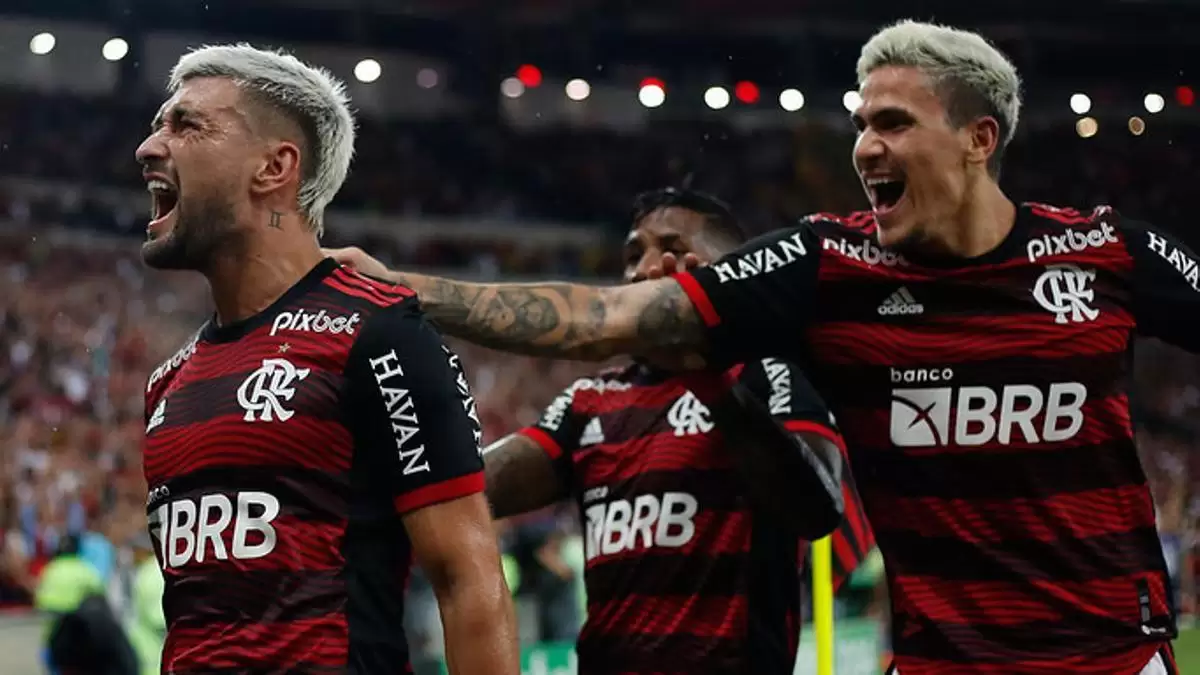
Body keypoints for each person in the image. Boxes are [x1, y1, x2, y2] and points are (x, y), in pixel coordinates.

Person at [326, 20, 1200, 675]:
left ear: (979, 139)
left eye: (894, 123)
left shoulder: (1107, 252)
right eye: (862, 124)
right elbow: (606, 318)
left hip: (1111, 658)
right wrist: (407, 290)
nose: (865, 147)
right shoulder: (828, 262)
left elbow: (809, 501)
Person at [136, 44, 518, 674]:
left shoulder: (378, 334)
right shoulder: (168, 383)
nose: (149, 148)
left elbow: (467, 582)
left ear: (274, 167)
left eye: (187, 125)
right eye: (159, 126)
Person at [476, 187, 873, 673]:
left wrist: (711, 384)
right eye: (632, 256)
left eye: (673, 250)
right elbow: (470, 485)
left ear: (733, 273)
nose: (644, 271)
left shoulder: (771, 374)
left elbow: (816, 509)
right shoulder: (590, 399)